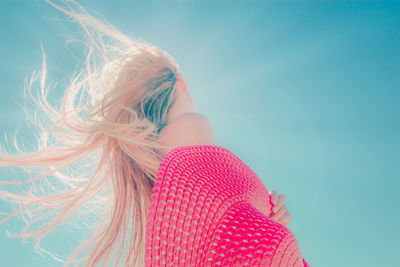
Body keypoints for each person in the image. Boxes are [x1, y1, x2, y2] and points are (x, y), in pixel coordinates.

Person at [0, 0, 294, 266]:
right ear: (180, 82)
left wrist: (268, 215)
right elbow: (238, 230)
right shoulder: (192, 128)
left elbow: (221, 223)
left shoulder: (161, 172)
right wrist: (267, 216)